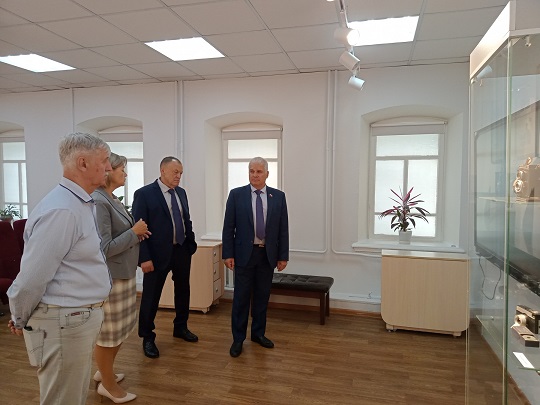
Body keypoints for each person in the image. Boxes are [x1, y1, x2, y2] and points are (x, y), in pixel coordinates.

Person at [7, 132, 112, 405]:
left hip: (74, 319)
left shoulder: (77, 203)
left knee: (72, 395)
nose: (109, 167)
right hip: (65, 321)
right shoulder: (63, 210)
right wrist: (19, 315)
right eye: (104, 160)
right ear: (82, 163)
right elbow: (32, 277)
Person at [91, 153, 151, 403]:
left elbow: (120, 236)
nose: (125, 174)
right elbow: (103, 248)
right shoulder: (99, 201)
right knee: (109, 334)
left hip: (123, 275)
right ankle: (108, 385)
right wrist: (134, 232)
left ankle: (104, 372)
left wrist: (135, 234)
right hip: (112, 279)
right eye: (121, 169)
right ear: (108, 171)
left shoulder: (111, 198)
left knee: (120, 330)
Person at [222, 156, 289, 358]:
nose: (255, 175)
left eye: (259, 171)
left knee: (262, 297)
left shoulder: (278, 197)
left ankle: (258, 334)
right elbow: (228, 227)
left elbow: (283, 229)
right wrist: (228, 254)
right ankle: (238, 339)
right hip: (244, 255)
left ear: (267, 174)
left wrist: (283, 256)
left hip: (266, 255)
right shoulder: (236, 195)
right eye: (252, 171)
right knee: (241, 299)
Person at [132, 156, 198, 359]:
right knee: (151, 296)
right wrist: (144, 258)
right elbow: (138, 229)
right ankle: (147, 337)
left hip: (181, 250)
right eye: (175, 172)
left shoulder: (181, 193)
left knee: (183, 291)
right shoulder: (144, 194)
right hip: (156, 255)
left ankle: (181, 327)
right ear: (162, 171)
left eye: (181, 173)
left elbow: (186, 220)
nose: (178, 176)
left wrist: (190, 244)